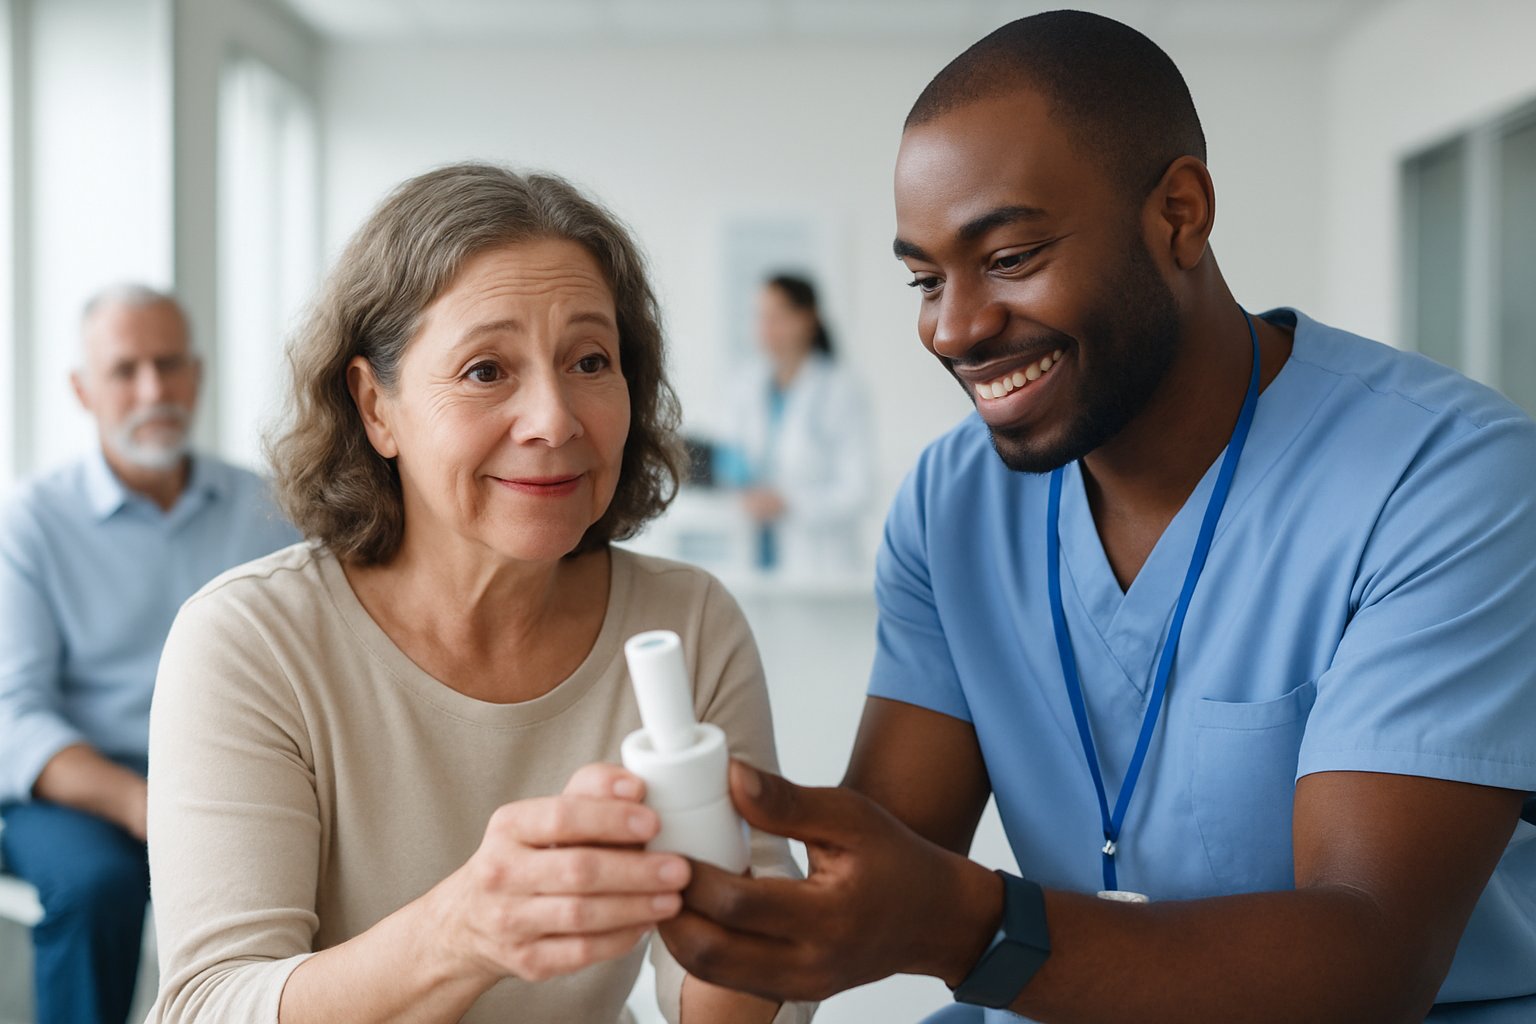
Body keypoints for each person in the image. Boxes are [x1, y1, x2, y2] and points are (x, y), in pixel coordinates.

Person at [655, 11, 1536, 1022]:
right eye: (926, 279)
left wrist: (969, 927)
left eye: (1013, 256)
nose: (954, 327)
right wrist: (695, 864)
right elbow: (883, 868)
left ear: (1181, 213)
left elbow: (1371, 957)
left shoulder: (1443, 478)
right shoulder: (955, 506)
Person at [145, 164, 812, 1024]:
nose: (555, 420)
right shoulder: (247, 643)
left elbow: (751, 1003)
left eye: (590, 360)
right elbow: (206, 1007)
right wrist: (462, 933)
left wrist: (737, 919)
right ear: (375, 406)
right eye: (487, 369)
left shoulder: (688, 623)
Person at [0, 284, 298, 1024]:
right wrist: (145, 805)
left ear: (196, 375)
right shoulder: (28, 525)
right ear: (82, 389)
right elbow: (14, 717)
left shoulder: (271, 509)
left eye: (169, 365)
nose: (153, 389)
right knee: (97, 884)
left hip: (232, 772)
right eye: (125, 370)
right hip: (80, 792)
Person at [717, 274, 873, 576]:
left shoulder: (841, 390)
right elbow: (734, 462)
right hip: (754, 555)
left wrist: (788, 503)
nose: (765, 329)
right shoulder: (746, 386)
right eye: (761, 317)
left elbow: (858, 489)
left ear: (807, 319)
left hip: (820, 565)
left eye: (776, 317)